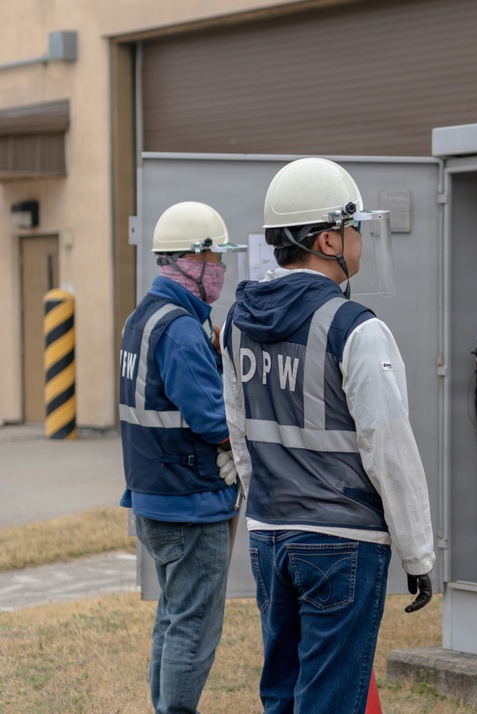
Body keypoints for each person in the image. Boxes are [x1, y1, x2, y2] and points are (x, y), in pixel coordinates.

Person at [220, 157, 435, 714]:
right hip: (344, 543)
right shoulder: (356, 328)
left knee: (284, 696)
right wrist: (418, 556)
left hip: (270, 535)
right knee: (331, 701)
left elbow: (240, 437)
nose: (361, 237)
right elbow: (389, 450)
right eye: (355, 226)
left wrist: (263, 508)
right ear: (327, 239)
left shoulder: (236, 322)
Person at [118, 200, 244, 714]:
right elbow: (214, 421)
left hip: (155, 498)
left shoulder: (142, 317)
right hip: (189, 502)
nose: (221, 272)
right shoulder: (181, 329)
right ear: (191, 262)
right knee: (194, 624)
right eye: (216, 262)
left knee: (172, 617)